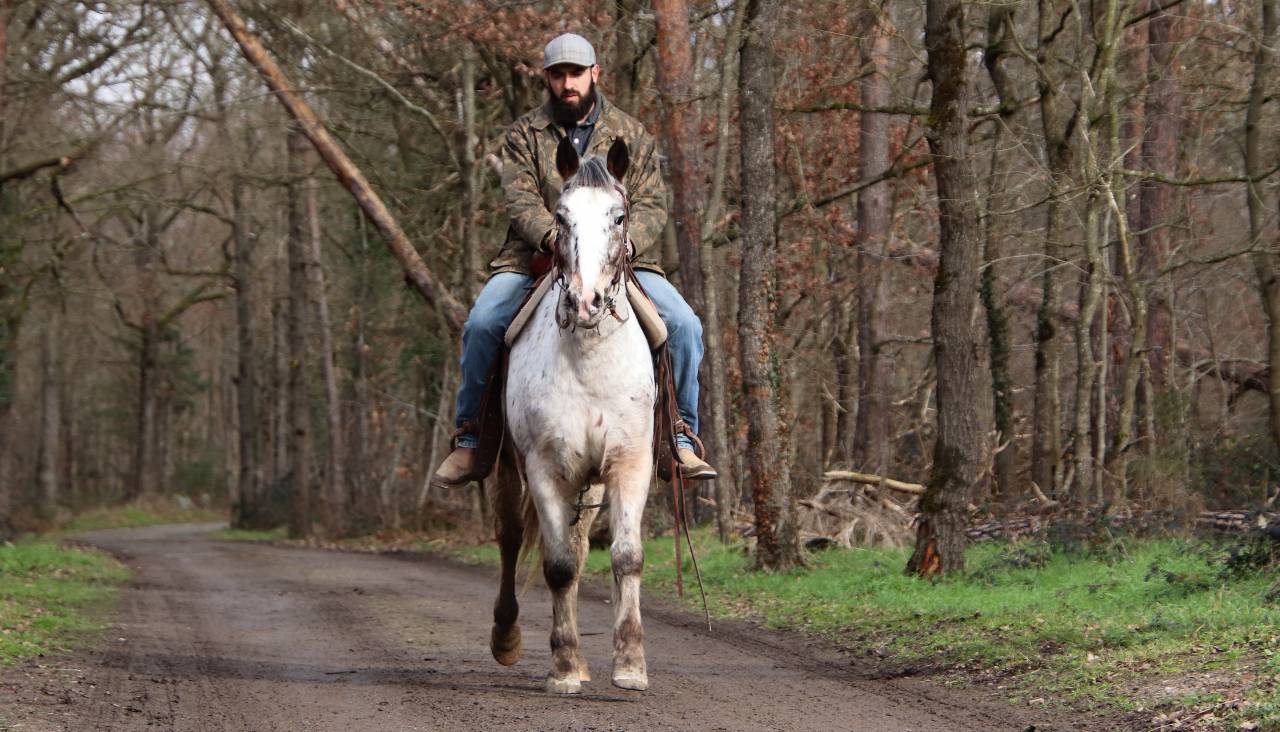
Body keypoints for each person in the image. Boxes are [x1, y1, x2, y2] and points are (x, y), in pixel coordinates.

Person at [431, 32, 716, 488]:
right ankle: (471, 439)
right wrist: (554, 240)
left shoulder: (632, 135)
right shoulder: (524, 135)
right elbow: (520, 200)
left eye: (576, 74)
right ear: (547, 78)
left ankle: (680, 436)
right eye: (559, 74)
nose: (568, 83)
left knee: (684, 325)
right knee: (483, 323)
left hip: (618, 259)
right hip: (536, 257)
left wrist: (622, 248)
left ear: (594, 74)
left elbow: (651, 205)